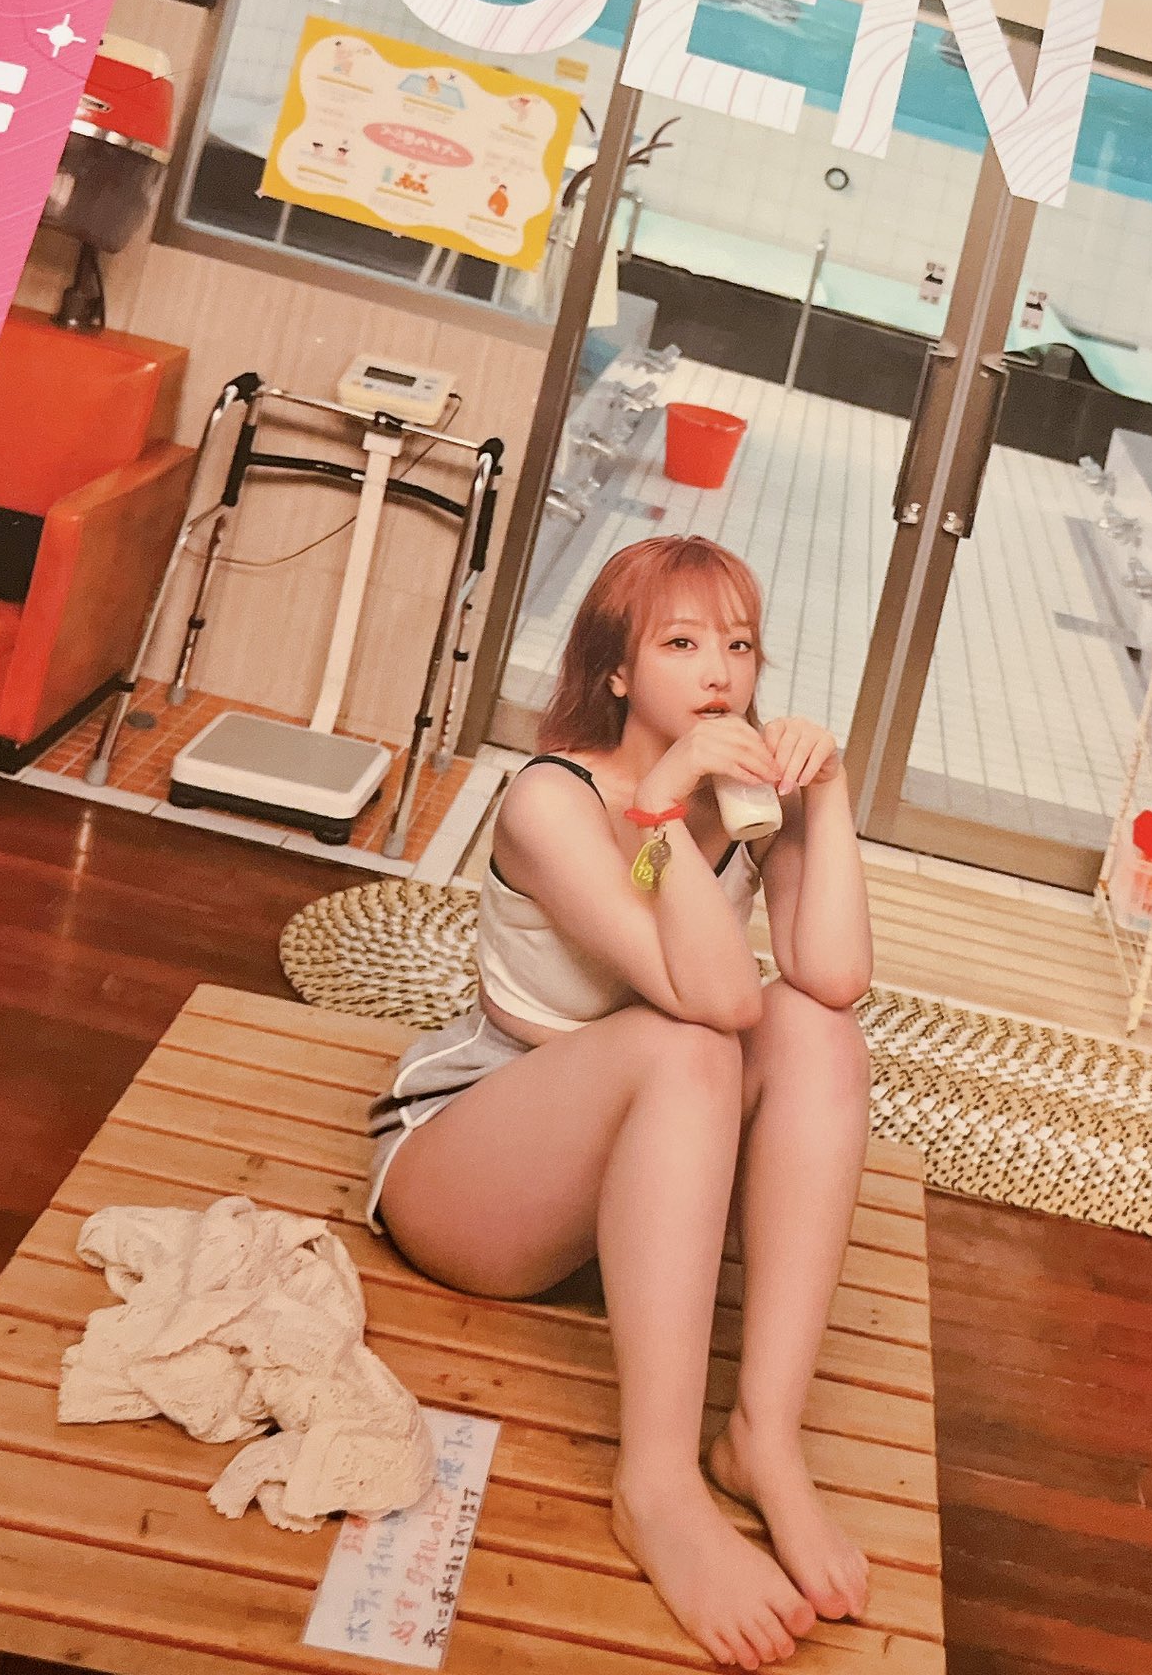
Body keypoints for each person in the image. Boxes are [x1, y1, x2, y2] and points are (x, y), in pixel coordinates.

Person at [365, 535, 875, 1671]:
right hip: (472, 1164)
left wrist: (828, 795)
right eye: (681, 643)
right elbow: (711, 996)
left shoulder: (747, 798)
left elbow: (833, 976)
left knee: (819, 1033)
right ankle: (656, 1487)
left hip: (628, 1170)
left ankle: (762, 1438)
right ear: (613, 668)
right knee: (692, 1045)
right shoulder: (549, 799)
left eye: (738, 645)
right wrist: (654, 815)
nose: (719, 673)